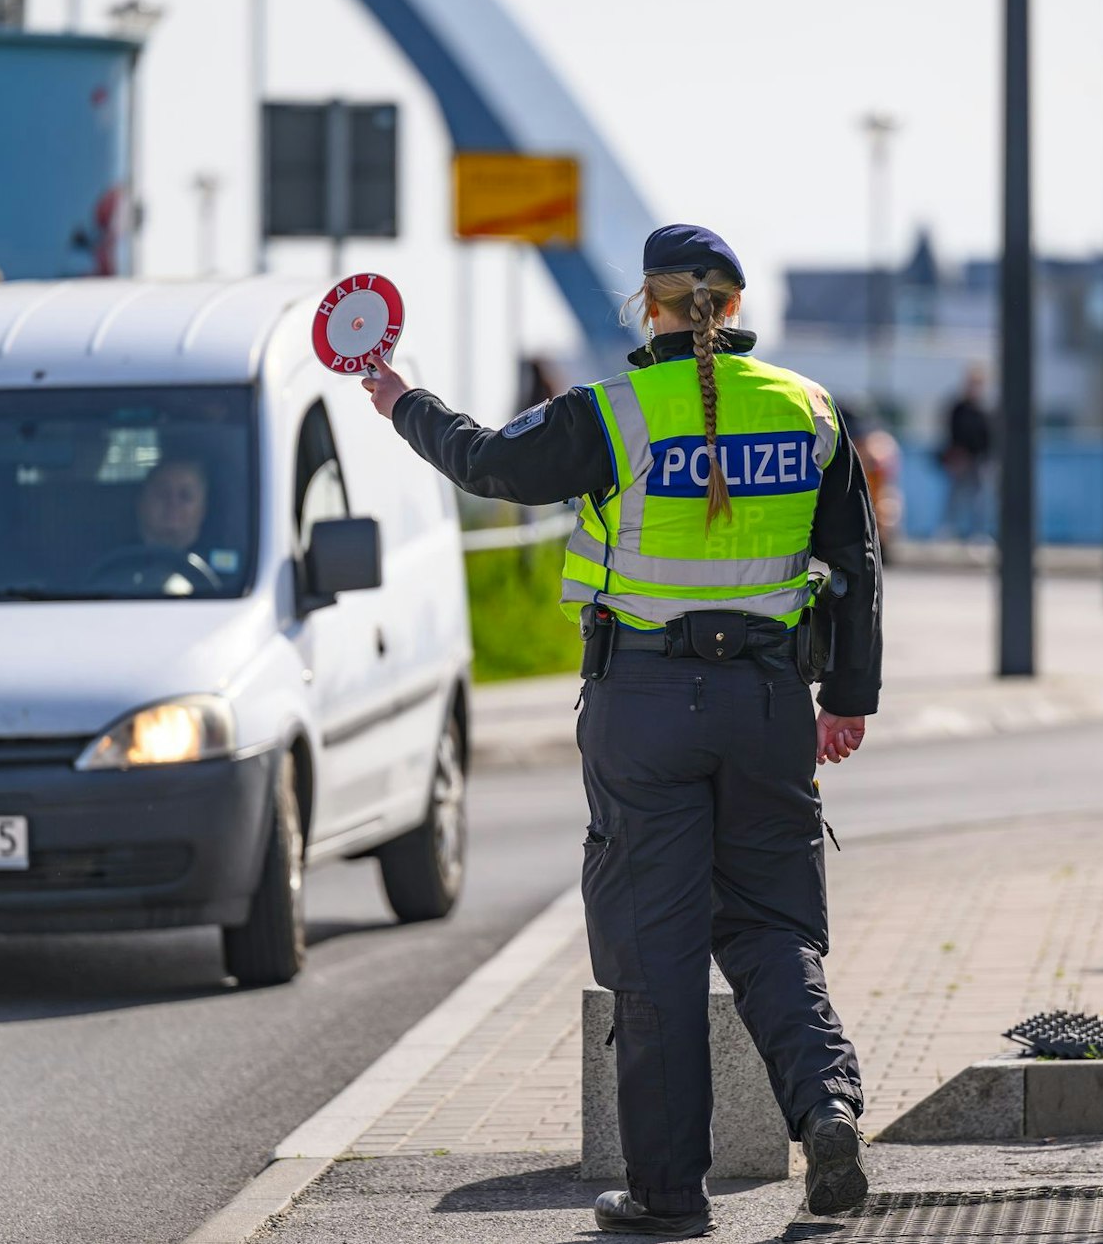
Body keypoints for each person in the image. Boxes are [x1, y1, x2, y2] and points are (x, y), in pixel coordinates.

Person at [362, 224, 881, 1238]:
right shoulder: (812, 409)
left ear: (649, 306)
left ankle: (666, 1193)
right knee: (769, 926)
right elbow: (854, 563)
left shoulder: (611, 413)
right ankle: (825, 1106)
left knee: (655, 951)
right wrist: (846, 698)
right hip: (770, 703)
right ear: (729, 306)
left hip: (643, 704)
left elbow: (484, 461)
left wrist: (399, 402)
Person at [939, 366, 992, 540]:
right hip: (960, 460)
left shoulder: (984, 410)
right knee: (955, 495)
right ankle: (948, 529)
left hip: (979, 461)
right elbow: (952, 432)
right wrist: (955, 454)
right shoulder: (959, 408)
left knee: (980, 499)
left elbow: (990, 436)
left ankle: (978, 533)